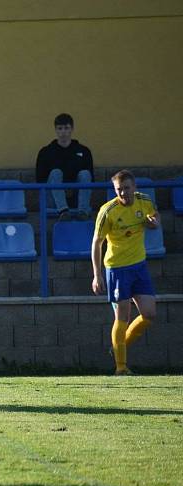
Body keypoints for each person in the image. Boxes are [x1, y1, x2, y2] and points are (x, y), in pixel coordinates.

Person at [91, 170, 159, 376]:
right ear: (115, 190)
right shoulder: (107, 211)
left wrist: (153, 222)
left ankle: (118, 347)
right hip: (117, 268)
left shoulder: (144, 201)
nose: (123, 193)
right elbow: (97, 242)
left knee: (149, 314)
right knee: (122, 317)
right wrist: (97, 274)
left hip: (139, 266)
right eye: (119, 190)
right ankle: (121, 367)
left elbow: (155, 217)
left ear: (134, 187)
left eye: (126, 188)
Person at [35, 113, 94, 220]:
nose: (63, 132)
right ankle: (63, 211)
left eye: (66, 128)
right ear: (55, 130)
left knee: (84, 173)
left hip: (77, 198)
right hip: (53, 198)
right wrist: (60, 190)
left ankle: (83, 212)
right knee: (56, 172)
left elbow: (90, 178)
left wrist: (70, 189)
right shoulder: (46, 152)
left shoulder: (84, 151)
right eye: (60, 128)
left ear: (72, 129)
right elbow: (40, 180)